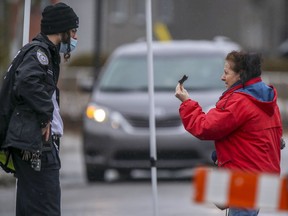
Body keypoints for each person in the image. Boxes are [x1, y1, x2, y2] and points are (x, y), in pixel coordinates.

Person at [175, 51, 282, 216]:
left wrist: (186, 102)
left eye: (226, 72)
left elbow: (204, 127)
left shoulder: (239, 101)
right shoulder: (266, 97)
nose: (222, 77)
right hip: (263, 177)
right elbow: (259, 136)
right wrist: (223, 151)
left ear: (241, 75)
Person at [1, 2, 79, 216]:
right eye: (73, 31)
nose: (75, 38)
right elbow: (26, 82)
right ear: (61, 30)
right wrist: (45, 115)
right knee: (45, 210)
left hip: (33, 144)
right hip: (37, 146)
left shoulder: (38, 52)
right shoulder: (39, 53)